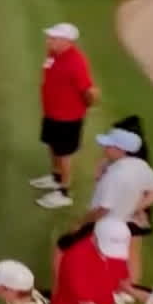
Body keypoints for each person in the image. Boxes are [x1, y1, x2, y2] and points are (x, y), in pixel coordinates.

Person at [81, 128, 153, 282]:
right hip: (129, 219)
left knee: (110, 253)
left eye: (109, 146)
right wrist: (136, 207)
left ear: (121, 150)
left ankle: (119, 288)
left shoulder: (117, 174)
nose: (104, 149)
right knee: (130, 254)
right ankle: (127, 289)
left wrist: (83, 222)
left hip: (113, 221)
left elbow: (103, 208)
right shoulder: (139, 165)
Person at [33, 23, 97, 209]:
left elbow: (88, 91)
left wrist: (85, 107)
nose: (48, 41)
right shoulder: (53, 55)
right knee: (52, 147)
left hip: (68, 118)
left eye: (53, 38)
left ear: (66, 41)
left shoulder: (76, 62)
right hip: (52, 113)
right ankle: (56, 177)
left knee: (64, 154)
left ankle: (64, 192)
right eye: (49, 37)